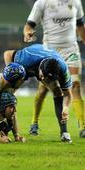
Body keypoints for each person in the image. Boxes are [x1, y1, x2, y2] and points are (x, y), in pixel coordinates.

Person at [23, 0, 85, 137]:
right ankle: (34, 122)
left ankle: (83, 126)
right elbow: (29, 25)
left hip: (71, 50)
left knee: (75, 85)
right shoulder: (42, 3)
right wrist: (28, 33)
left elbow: (81, 26)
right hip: (49, 51)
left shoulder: (76, 2)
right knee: (43, 89)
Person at [4, 44, 72, 143]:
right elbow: (7, 54)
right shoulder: (25, 59)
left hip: (43, 63)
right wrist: (10, 75)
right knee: (7, 93)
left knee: (57, 91)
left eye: (48, 79)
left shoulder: (63, 69)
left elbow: (68, 94)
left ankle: (64, 132)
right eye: (43, 77)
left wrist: (66, 107)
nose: (44, 80)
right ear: (40, 69)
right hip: (30, 64)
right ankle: (2, 128)